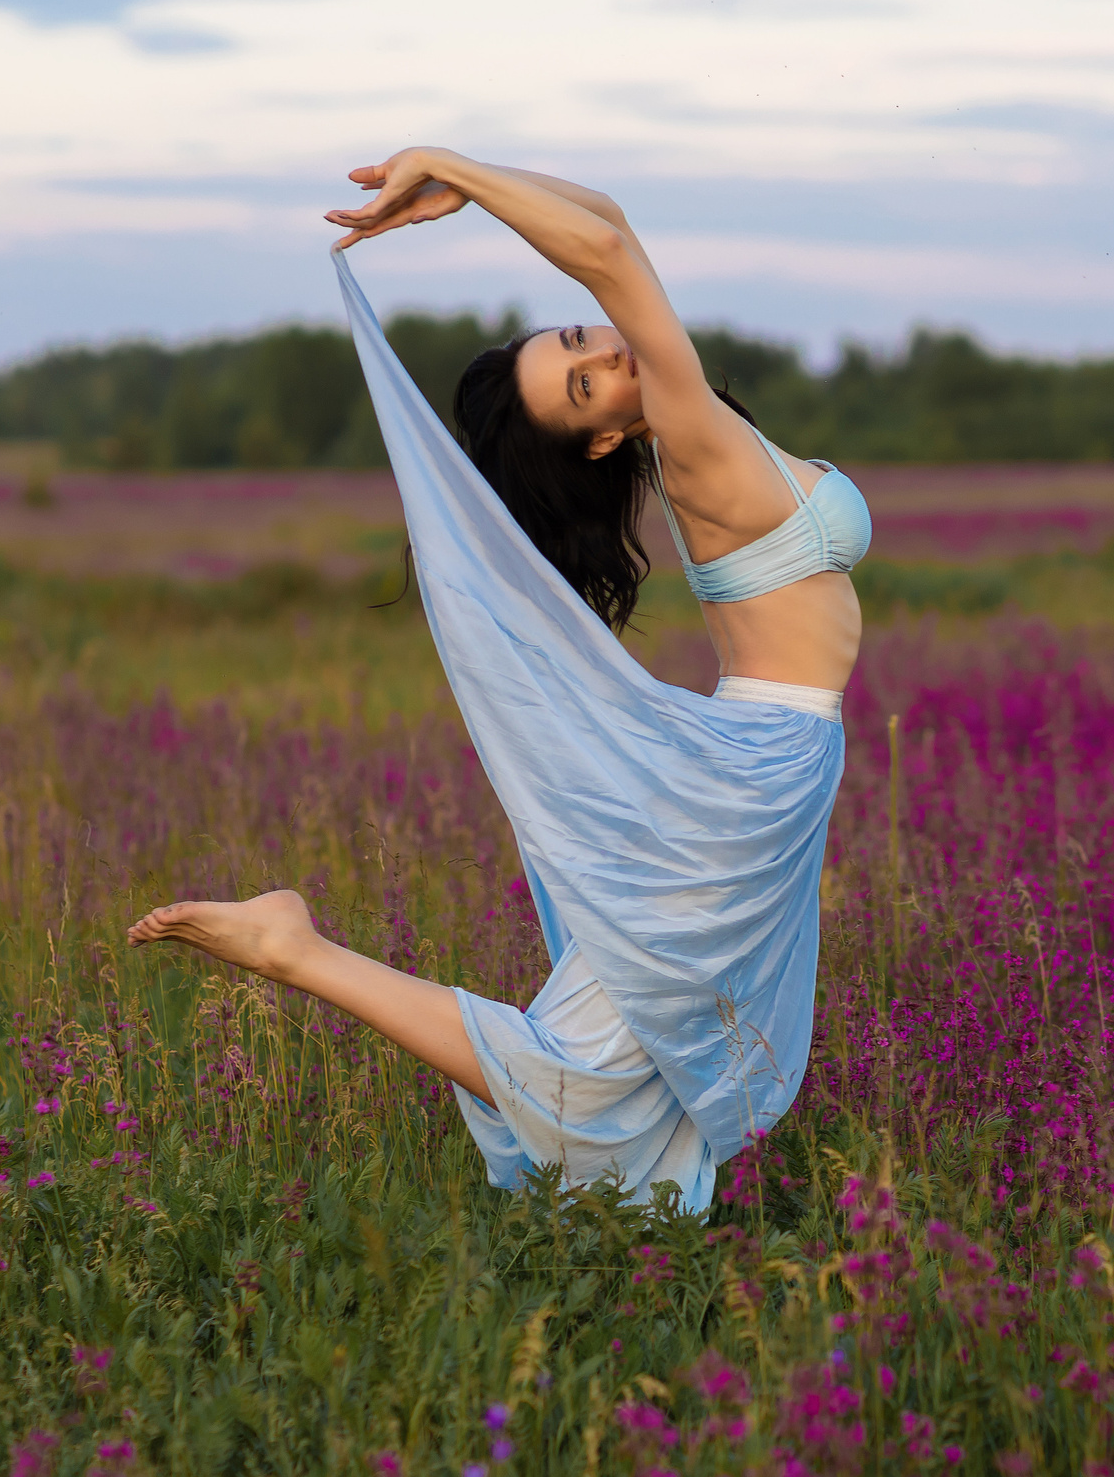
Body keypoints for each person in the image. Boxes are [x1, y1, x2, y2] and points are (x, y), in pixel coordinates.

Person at [127, 149, 869, 1212]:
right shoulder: (693, 438)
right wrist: (451, 168)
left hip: (761, 767)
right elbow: (609, 250)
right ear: (607, 437)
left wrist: (468, 183)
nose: (610, 355)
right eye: (584, 382)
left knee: (622, 1063)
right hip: (749, 781)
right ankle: (294, 951)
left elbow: (606, 217)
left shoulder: (680, 416)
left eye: (582, 341)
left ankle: (628, 1244)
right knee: (586, 1075)